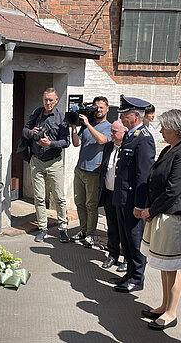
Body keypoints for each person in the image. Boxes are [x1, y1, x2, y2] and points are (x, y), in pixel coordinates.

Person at [140, 109, 181, 330]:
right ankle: (164, 305)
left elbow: (173, 190)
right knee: (164, 265)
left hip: (172, 215)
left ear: (175, 128)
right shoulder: (169, 149)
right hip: (161, 213)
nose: (160, 129)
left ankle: (171, 313)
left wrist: (151, 211)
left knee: (171, 265)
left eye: (164, 126)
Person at [110, 95, 155, 293]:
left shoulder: (144, 139)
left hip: (132, 201)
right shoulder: (130, 135)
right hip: (121, 197)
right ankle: (129, 272)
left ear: (136, 115)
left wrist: (139, 204)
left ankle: (137, 278)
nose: (121, 119)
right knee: (126, 239)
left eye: (125, 115)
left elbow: (143, 176)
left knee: (135, 240)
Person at [21, 87, 71, 243]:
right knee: (39, 197)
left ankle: (63, 228)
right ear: (43, 100)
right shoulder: (36, 114)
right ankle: (42, 228)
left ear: (56, 100)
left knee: (59, 197)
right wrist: (31, 133)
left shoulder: (62, 118)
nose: (48, 103)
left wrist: (50, 143)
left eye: (51, 100)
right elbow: (24, 130)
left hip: (54, 162)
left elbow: (66, 142)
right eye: (46, 100)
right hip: (37, 161)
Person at [70, 96, 111, 248]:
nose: (98, 110)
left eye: (101, 107)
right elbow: (76, 143)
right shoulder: (87, 125)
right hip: (80, 168)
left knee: (91, 205)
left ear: (107, 109)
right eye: (96, 107)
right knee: (80, 203)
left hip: (94, 170)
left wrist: (88, 124)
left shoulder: (108, 126)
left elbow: (102, 140)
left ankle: (91, 235)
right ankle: (83, 231)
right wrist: (74, 127)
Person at [98, 120, 128, 270]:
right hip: (109, 193)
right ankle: (113, 255)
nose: (111, 134)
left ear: (124, 132)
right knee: (112, 226)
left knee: (125, 228)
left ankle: (127, 259)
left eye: (114, 132)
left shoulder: (128, 148)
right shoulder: (109, 146)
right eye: (111, 131)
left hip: (122, 196)